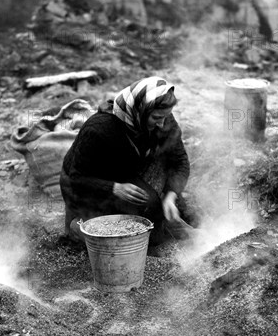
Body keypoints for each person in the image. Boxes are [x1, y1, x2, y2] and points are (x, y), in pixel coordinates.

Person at [60, 76, 192, 245]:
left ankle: (167, 221)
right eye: (156, 118)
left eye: (165, 116)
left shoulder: (163, 120)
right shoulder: (99, 129)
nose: (161, 124)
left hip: (125, 170)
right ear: (140, 111)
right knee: (119, 237)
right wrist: (114, 188)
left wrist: (171, 195)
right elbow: (76, 178)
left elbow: (179, 161)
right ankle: (78, 226)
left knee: (155, 209)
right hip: (88, 183)